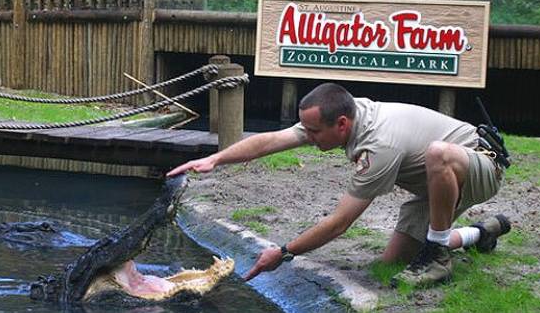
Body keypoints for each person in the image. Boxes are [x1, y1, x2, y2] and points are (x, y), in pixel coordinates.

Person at [167, 83, 511, 287]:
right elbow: (271, 139)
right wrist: (215, 159)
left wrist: (284, 252)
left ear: (342, 124)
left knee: (438, 154)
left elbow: (340, 223)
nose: (309, 138)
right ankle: (480, 233)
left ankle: (438, 256)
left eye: (314, 133)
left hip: (479, 166)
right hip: (433, 184)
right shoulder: (337, 116)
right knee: (393, 261)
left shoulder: (378, 144)